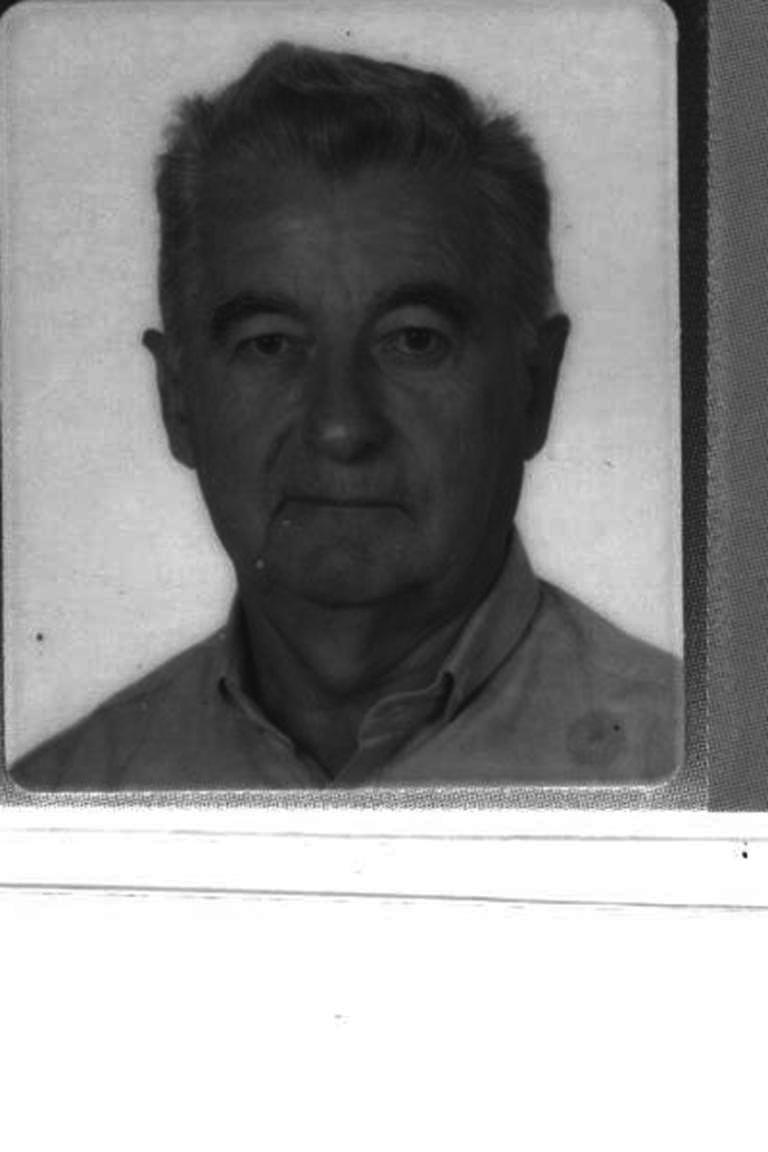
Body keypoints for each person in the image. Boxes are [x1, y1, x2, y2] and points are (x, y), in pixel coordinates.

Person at [11, 42, 683, 791]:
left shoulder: (703, 764)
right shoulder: (57, 796)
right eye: (269, 344)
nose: (341, 428)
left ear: (535, 385)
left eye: (414, 341)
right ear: (177, 400)